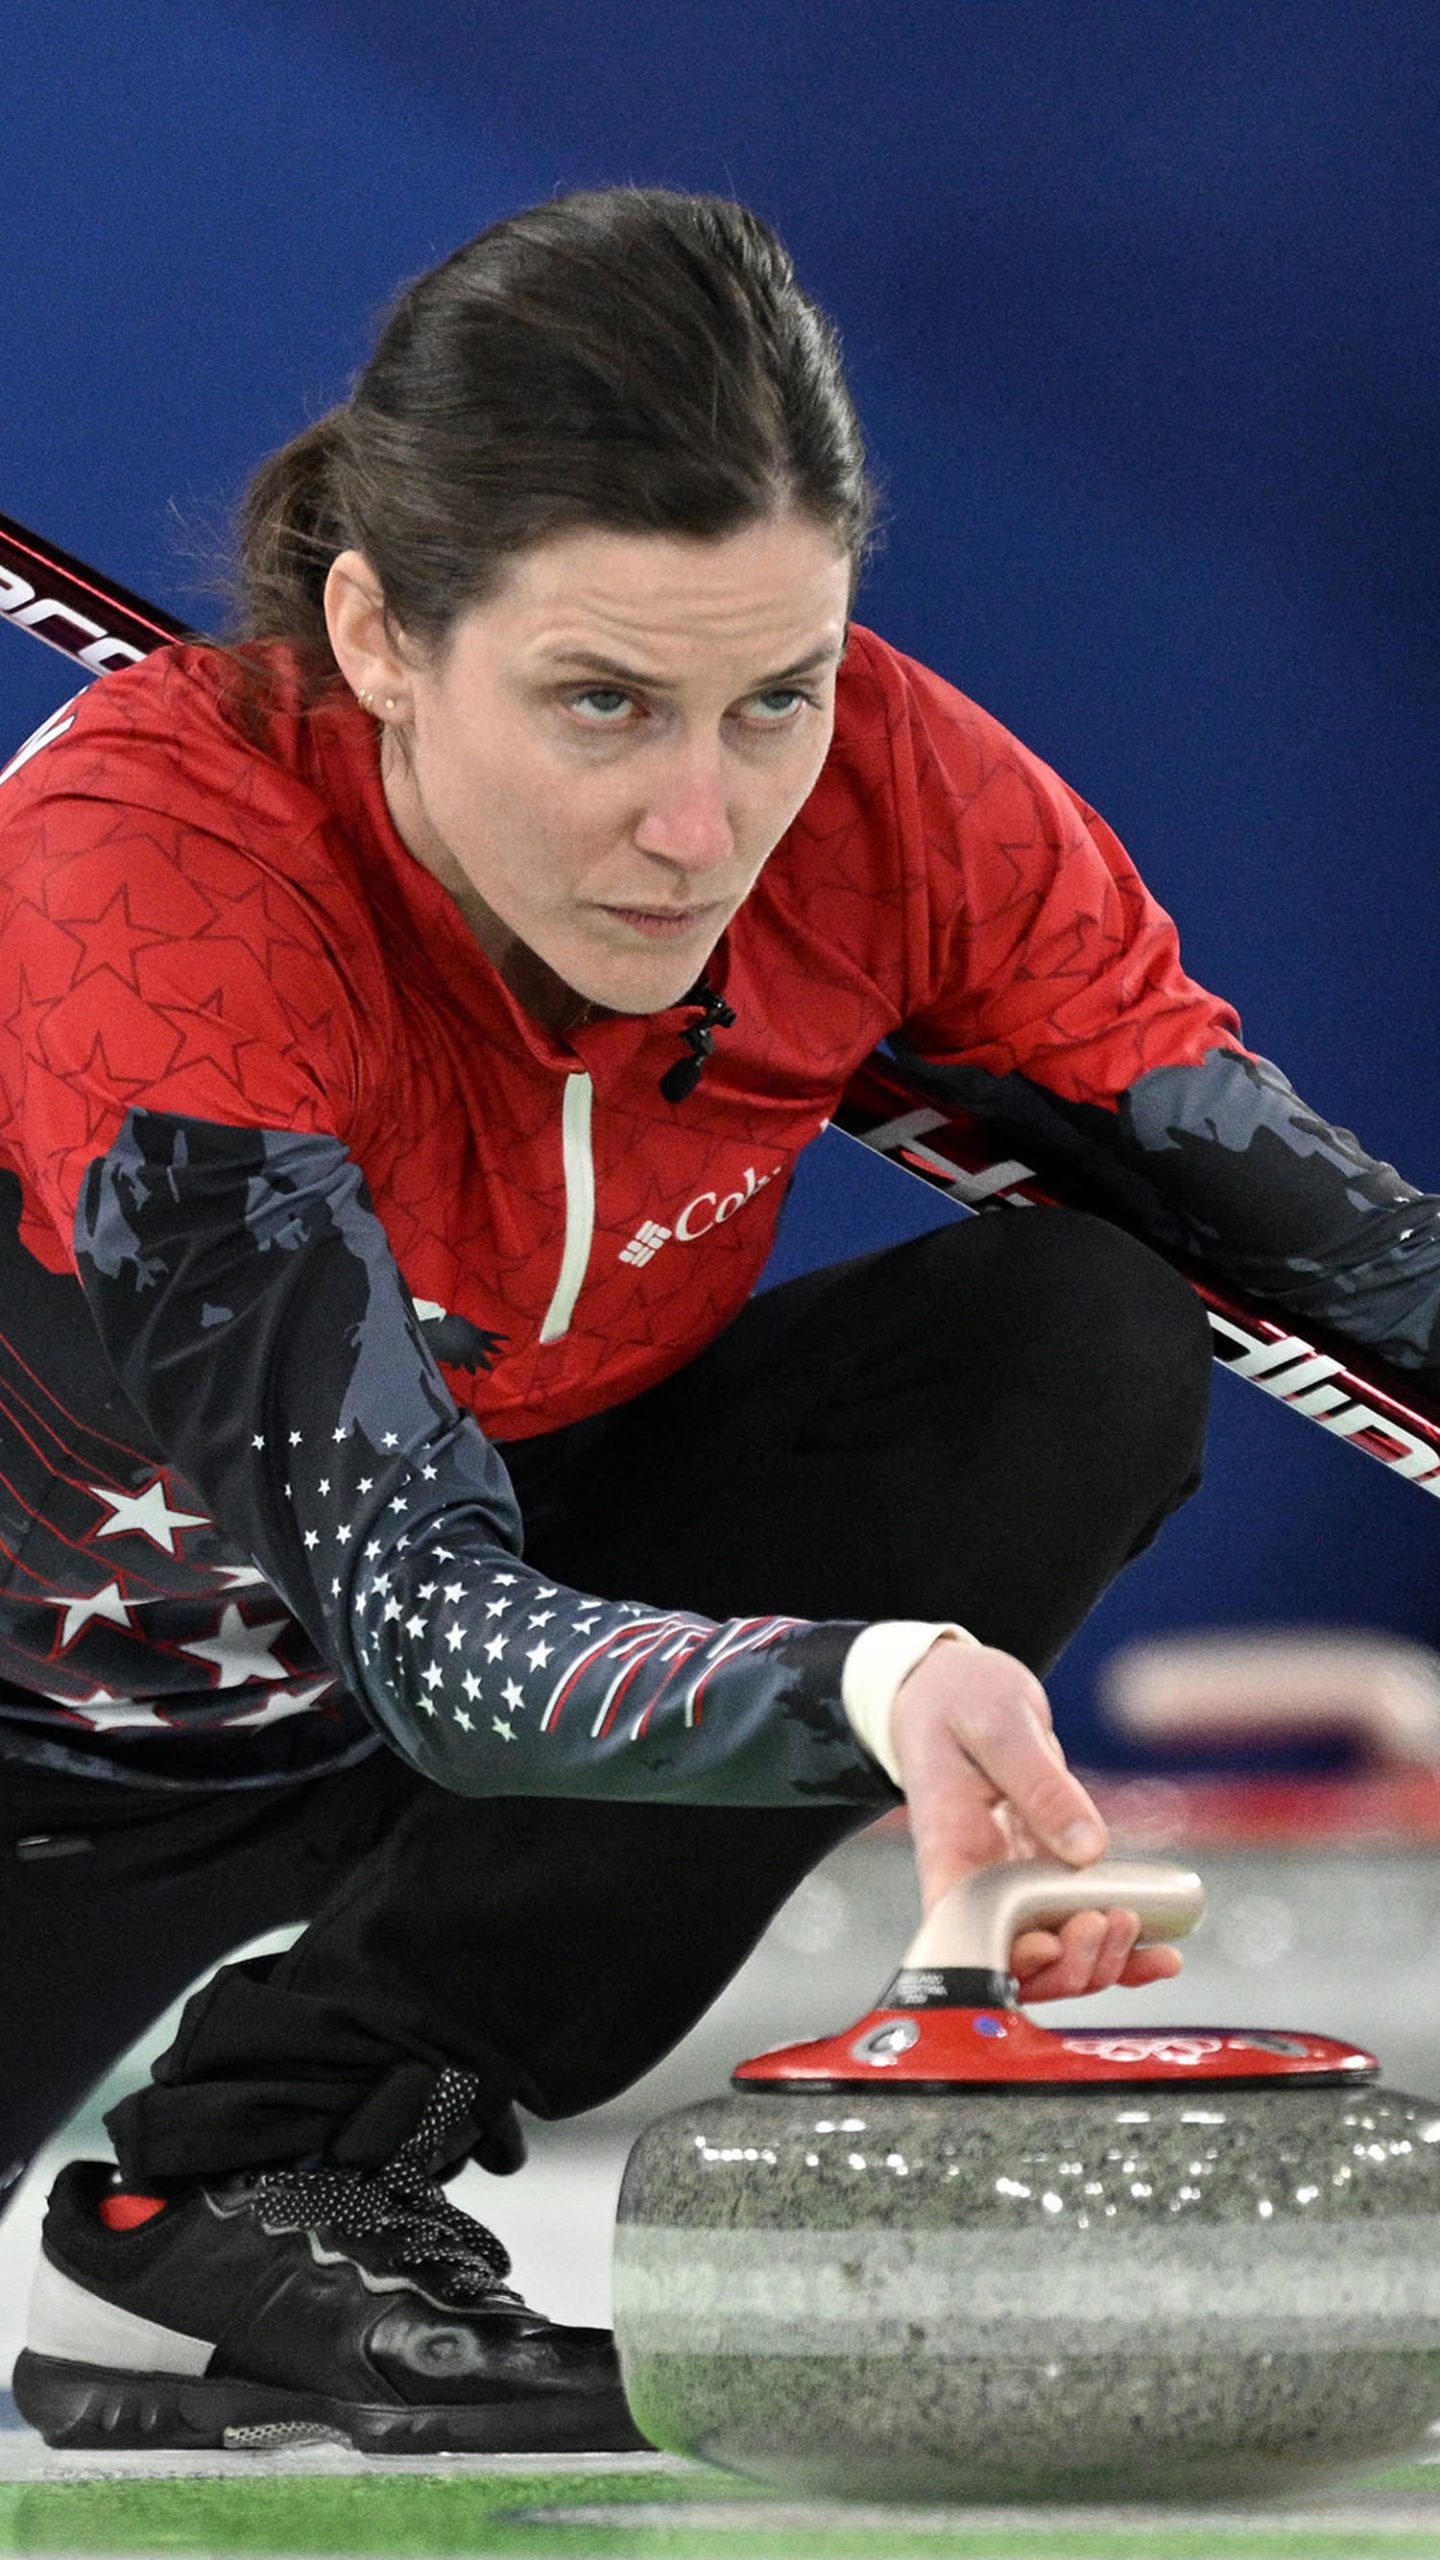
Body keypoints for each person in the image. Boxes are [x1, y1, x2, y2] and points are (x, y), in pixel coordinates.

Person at [0, 186, 1434, 2456]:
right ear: (377, 628)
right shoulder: (150, 894)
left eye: (775, 691)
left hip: (506, 1623)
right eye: (601, 701)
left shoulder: (885, 792)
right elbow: (408, 1603)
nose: (706, 820)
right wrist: (858, 1674)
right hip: (93, 1723)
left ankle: (274, 2160)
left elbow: (1348, 1252)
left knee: (1074, 1328)